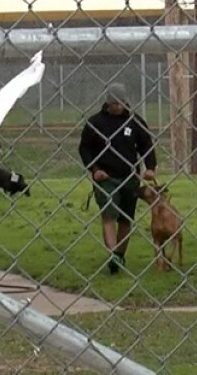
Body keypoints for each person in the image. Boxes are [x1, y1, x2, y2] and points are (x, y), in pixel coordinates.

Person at [78, 83, 157, 274]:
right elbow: (84, 148)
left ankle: (120, 256)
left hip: (129, 177)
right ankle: (112, 253)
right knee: (109, 214)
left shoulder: (134, 121)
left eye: (121, 103)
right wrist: (95, 169)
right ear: (107, 103)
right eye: (114, 104)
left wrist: (150, 167)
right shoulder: (95, 123)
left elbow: (146, 144)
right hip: (106, 178)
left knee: (125, 218)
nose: (117, 107)